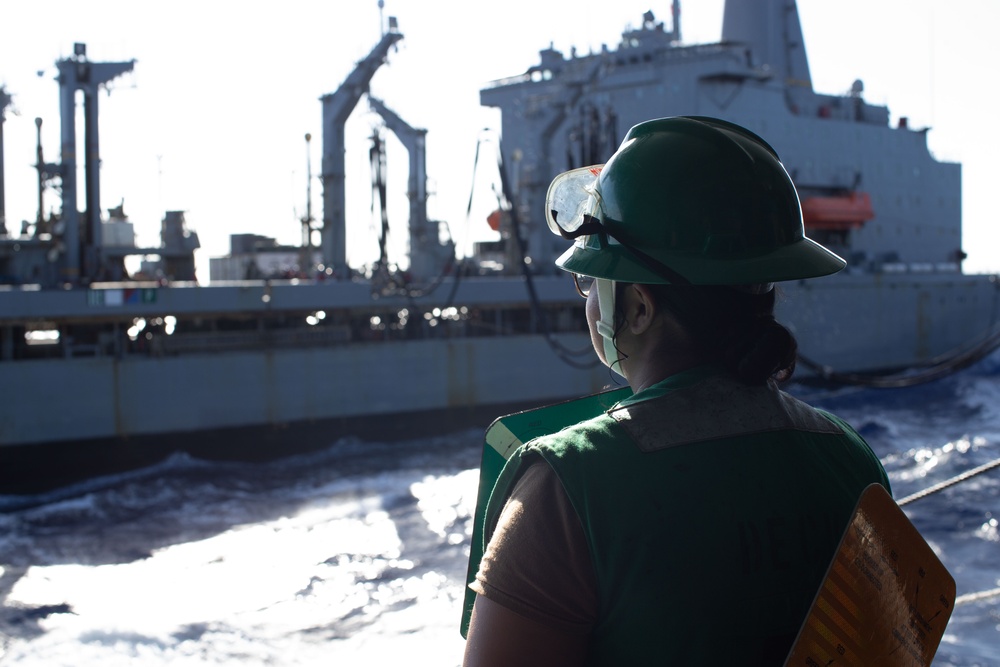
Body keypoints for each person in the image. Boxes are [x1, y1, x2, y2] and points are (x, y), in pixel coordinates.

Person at [462, 116, 890, 666]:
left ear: (639, 308)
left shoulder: (569, 487)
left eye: (594, 281)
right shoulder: (852, 462)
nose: (589, 301)